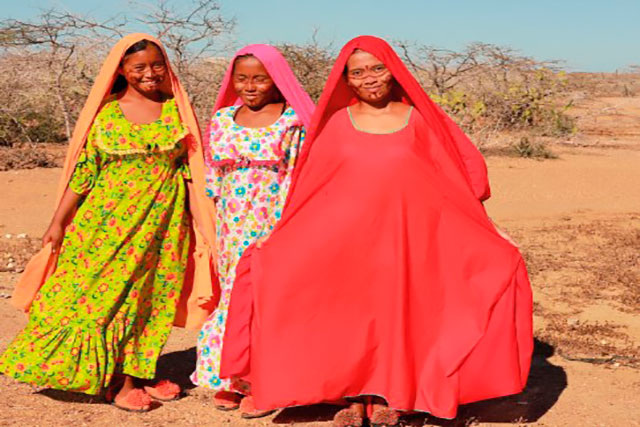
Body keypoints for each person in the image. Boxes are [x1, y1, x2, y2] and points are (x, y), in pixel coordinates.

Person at [219, 36, 533, 426]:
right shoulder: (334, 125)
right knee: (349, 317)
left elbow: (452, 181)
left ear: (393, 70)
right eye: (358, 72)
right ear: (346, 81)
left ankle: (393, 396)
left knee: (397, 317)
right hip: (347, 242)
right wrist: (281, 235)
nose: (369, 78)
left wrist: (488, 228)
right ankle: (350, 397)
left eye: (376, 68)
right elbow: (310, 188)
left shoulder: (420, 120)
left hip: (404, 240)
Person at [1, 33, 216, 413]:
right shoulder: (107, 115)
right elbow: (85, 174)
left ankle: (135, 373)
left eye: (156, 65)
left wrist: (205, 229)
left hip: (162, 229)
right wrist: (58, 221)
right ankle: (111, 379)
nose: (149, 73)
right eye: (139, 68)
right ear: (121, 71)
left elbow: (188, 174)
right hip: (105, 226)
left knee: (148, 299)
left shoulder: (176, 111)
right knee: (97, 296)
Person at [190, 44, 314, 419]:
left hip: (276, 221)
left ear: (277, 80)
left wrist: (282, 224)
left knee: (269, 298)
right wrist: (211, 219)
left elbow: (298, 175)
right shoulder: (224, 118)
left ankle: (264, 382)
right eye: (242, 78)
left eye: (260, 78)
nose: (250, 86)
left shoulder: (293, 121)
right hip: (231, 223)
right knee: (233, 294)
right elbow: (214, 175)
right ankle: (232, 378)